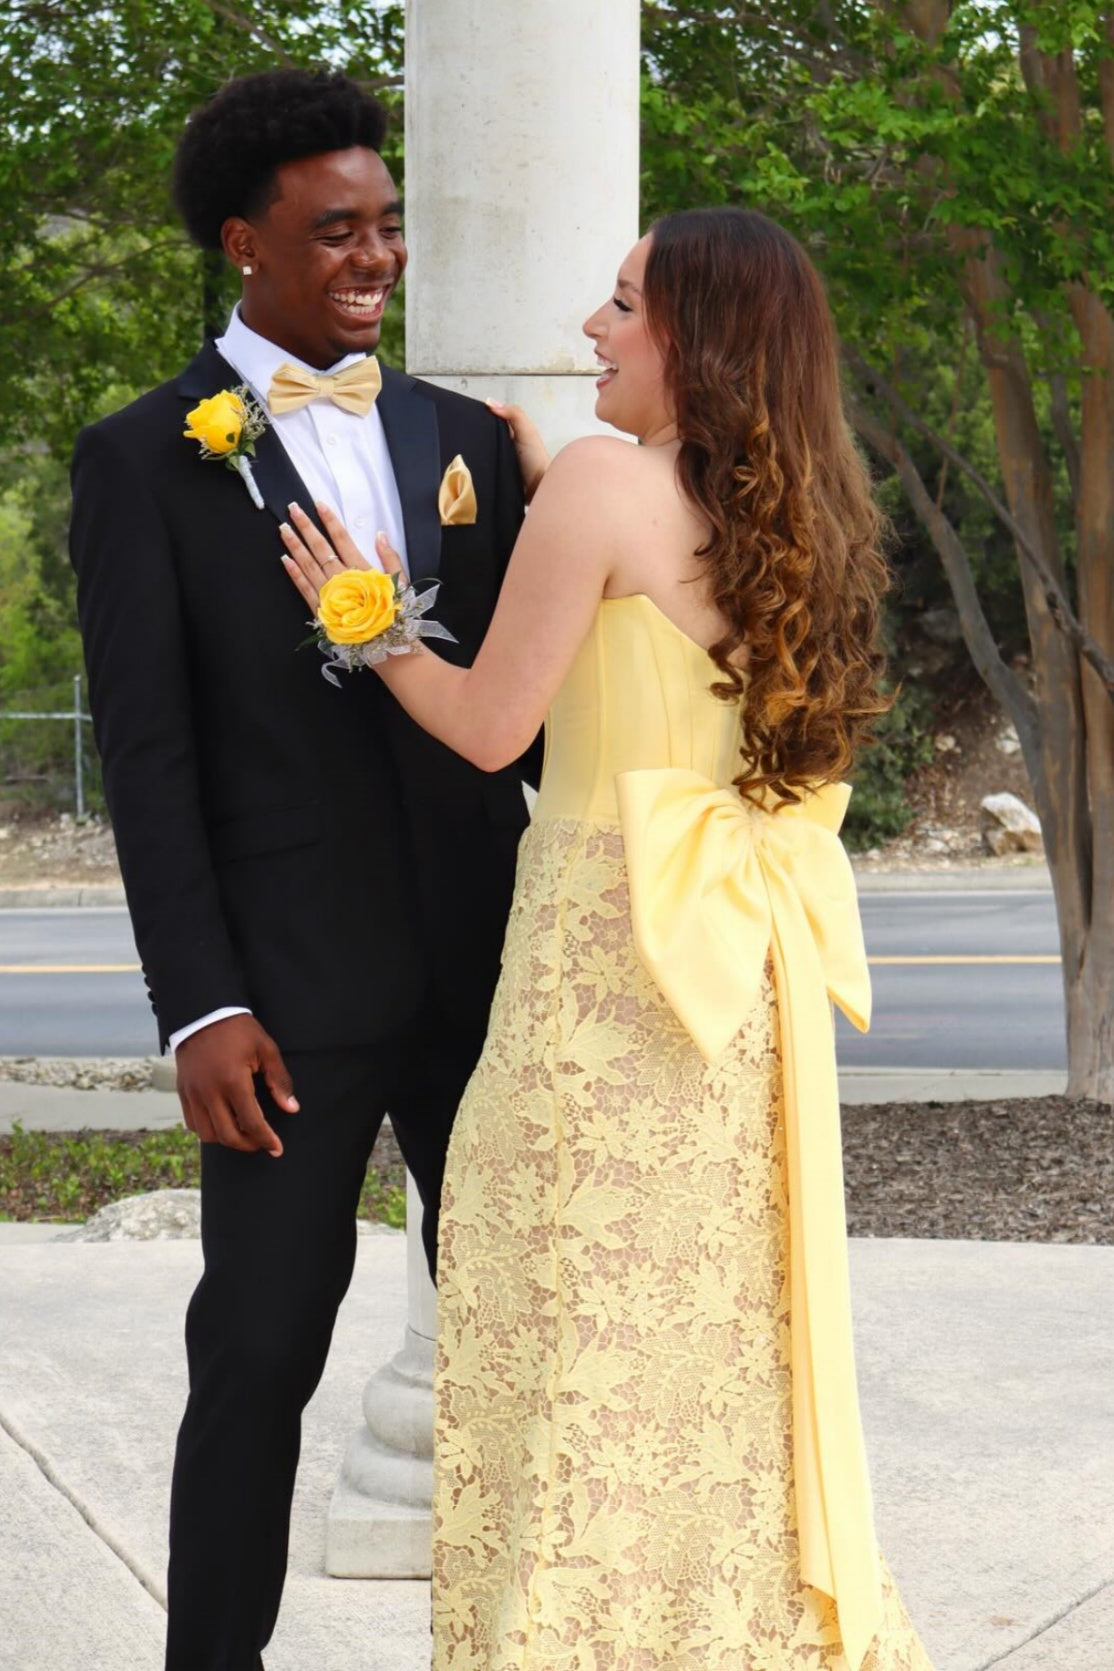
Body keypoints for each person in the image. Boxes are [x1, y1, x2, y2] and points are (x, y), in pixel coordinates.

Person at [280, 207, 936, 1669]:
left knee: (560, 1354)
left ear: (692, 342)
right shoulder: (820, 517)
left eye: (622, 304)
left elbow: (489, 726)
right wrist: (554, 484)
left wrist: (367, 617)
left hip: (598, 981)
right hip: (736, 998)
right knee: (710, 1368)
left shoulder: (594, 486)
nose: (590, 326)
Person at [68, 67, 537, 1671]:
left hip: (493, 988)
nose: (374, 258)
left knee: (537, 1351)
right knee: (257, 1353)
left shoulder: (471, 439)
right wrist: (200, 1005)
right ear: (241, 244)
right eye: (335, 230)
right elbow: (150, 757)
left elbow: (528, 718)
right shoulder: (142, 460)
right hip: (284, 1005)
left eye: (388, 227)